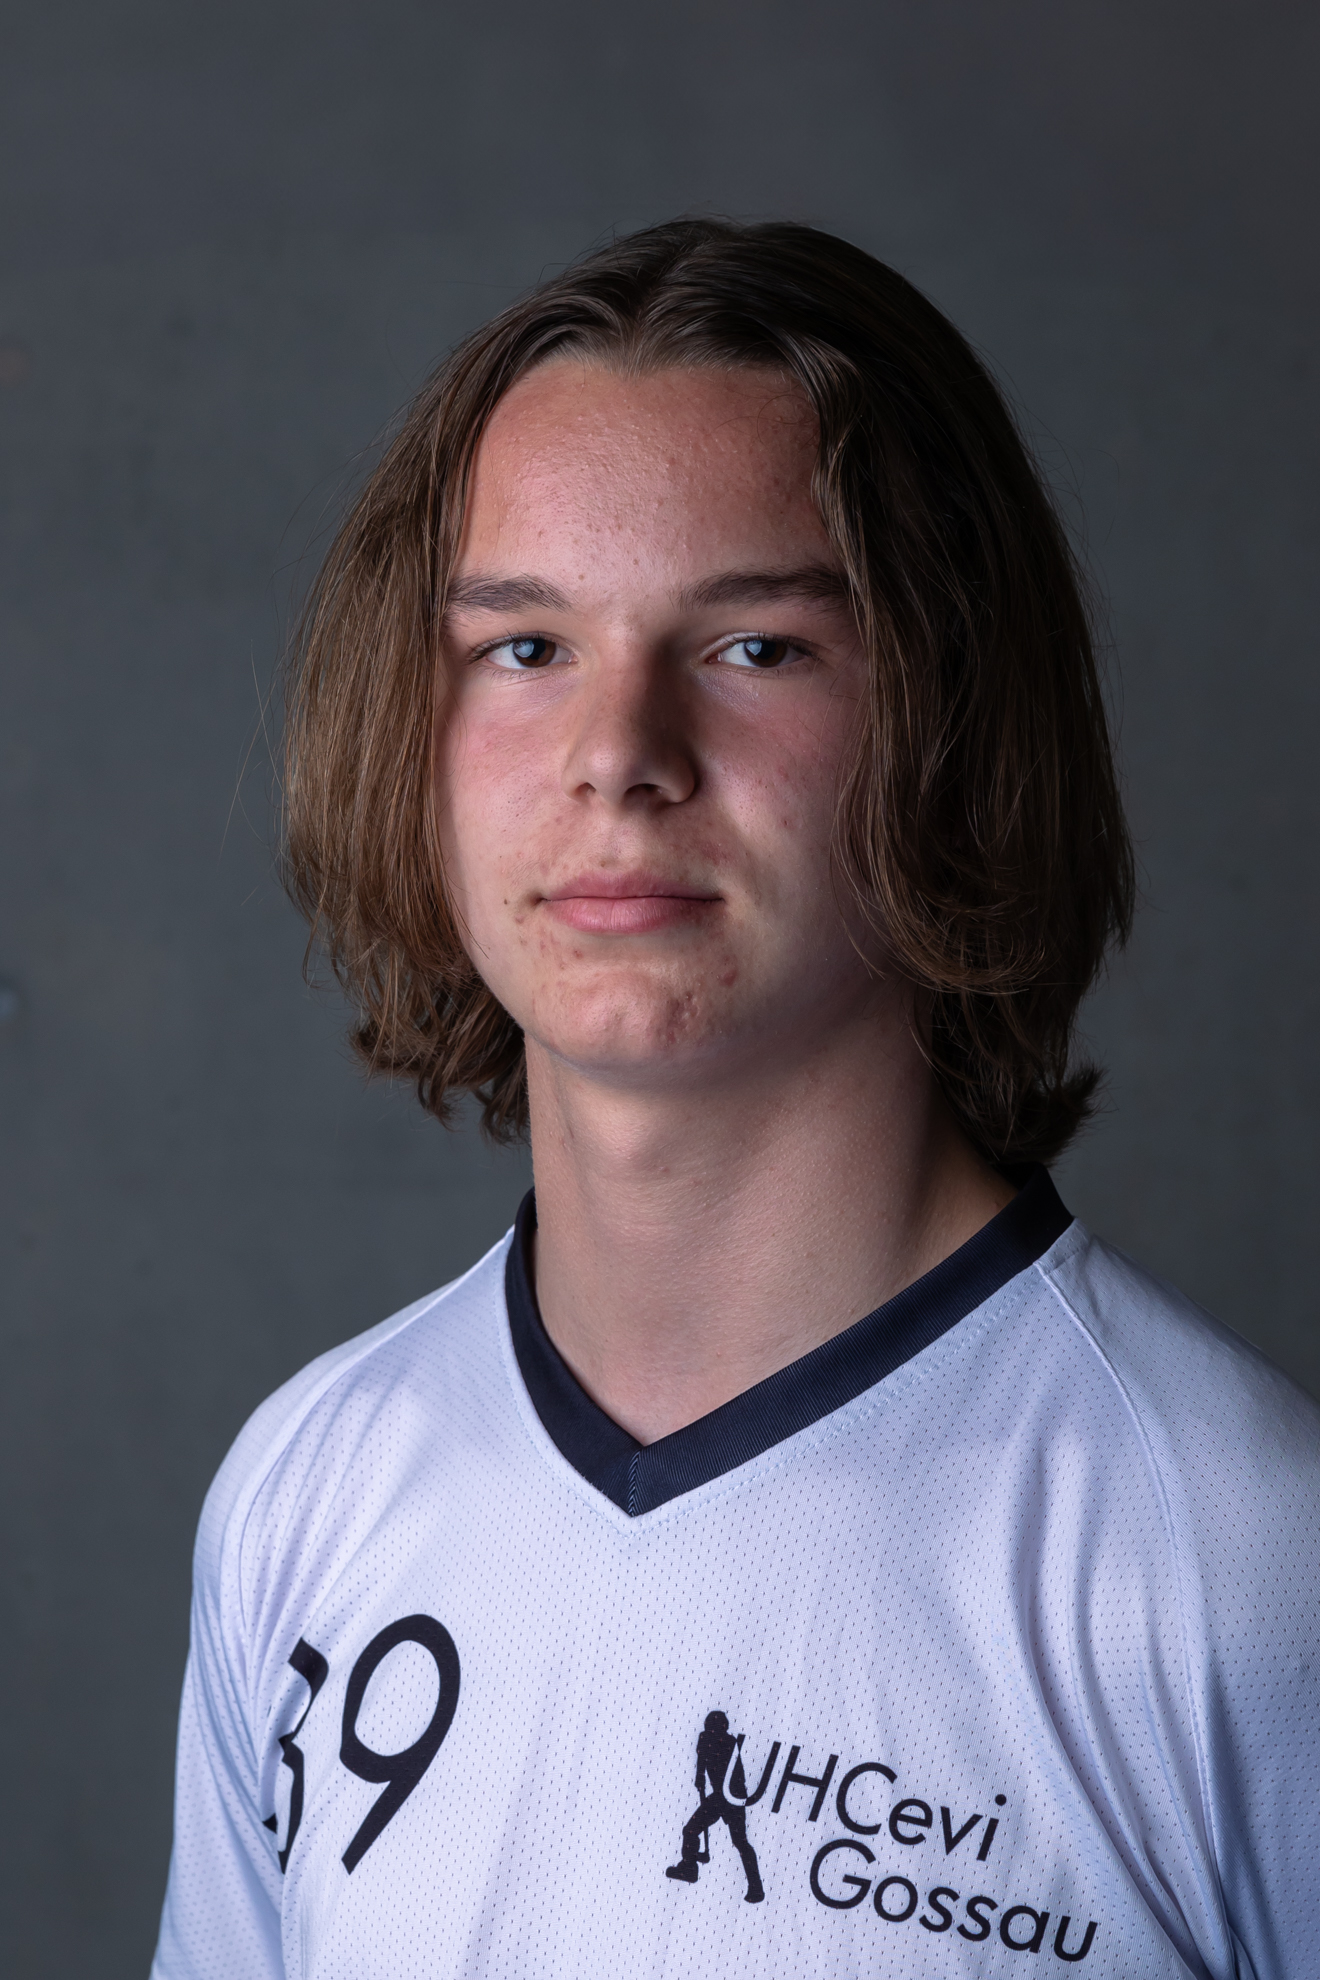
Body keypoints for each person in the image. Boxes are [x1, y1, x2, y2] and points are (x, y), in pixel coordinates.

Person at [151, 220, 1319, 1979]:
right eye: (523, 648)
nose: (619, 753)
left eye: (757, 647)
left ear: (952, 724)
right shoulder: (307, 1491)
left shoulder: (1236, 1561)